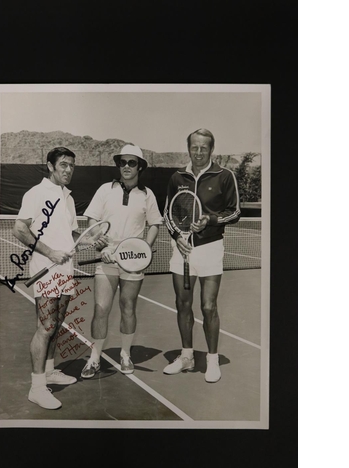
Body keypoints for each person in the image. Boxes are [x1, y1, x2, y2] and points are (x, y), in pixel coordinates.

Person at [163, 129, 240, 383]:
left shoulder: (224, 176)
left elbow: (235, 212)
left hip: (210, 249)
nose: (198, 152)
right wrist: (177, 238)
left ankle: (212, 359)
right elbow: (168, 214)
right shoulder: (177, 177)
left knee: (208, 307)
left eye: (203, 148)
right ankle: (186, 356)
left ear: (211, 149)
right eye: (194, 147)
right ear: (188, 149)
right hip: (182, 250)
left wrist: (210, 220)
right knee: (183, 304)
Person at [80, 144, 163, 378]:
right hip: (106, 259)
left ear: (140, 167)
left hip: (133, 261)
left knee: (128, 308)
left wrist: (145, 249)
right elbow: (93, 220)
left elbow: (155, 223)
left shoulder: (147, 195)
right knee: (101, 308)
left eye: (132, 162)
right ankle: (95, 358)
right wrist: (100, 243)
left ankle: (125, 354)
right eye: (122, 162)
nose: (126, 166)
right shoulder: (105, 189)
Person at [12, 147, 81, 409]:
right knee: (46, 327)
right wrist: (50, 252)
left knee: (58, 323)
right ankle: (37, 388)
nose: (68, 170)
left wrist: (93, 241)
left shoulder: (68, 198)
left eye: (71, 165)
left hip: (65, 270)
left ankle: (50, 371)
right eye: (63, 165)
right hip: (45, 269)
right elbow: (19, 228)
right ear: (50, 166)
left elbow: (73, 236)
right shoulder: (36, 193)